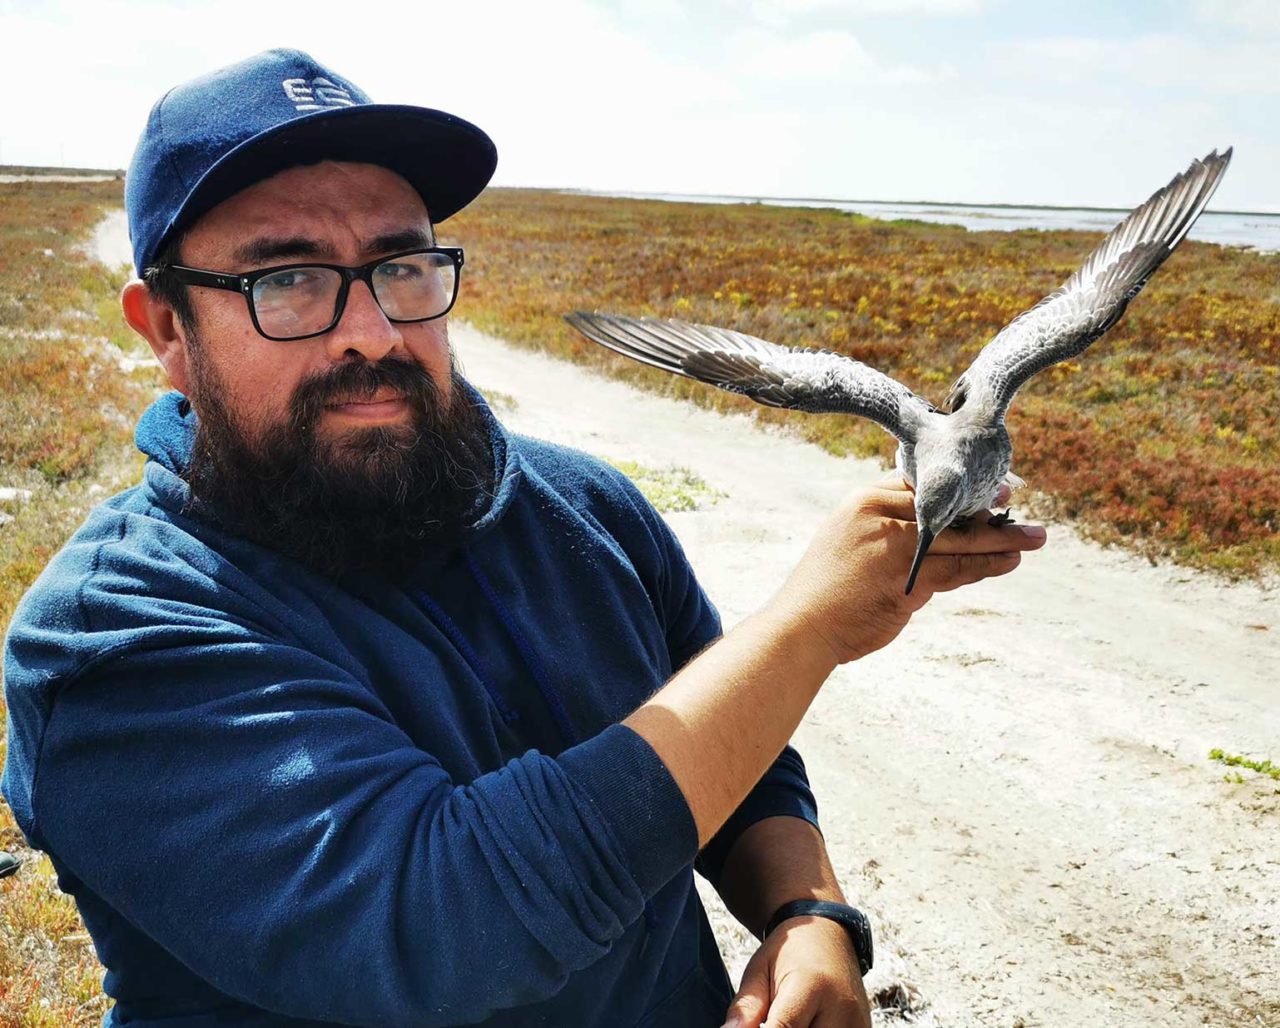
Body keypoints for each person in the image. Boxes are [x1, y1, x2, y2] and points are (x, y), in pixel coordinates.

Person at [0, 49, 1046, 1027]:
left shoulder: (578, 502)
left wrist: (805, 910)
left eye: (401, 266)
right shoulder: (113, 640)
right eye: (288, 280)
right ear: (167, 331)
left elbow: (735, 739)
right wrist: (807, 626)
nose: (371, 329)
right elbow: (450, 922)